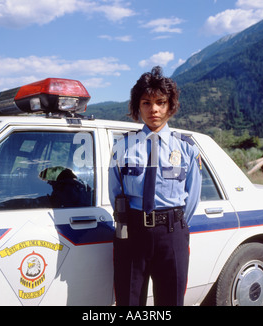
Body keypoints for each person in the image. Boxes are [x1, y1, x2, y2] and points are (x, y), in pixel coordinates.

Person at [108, 66, 202, 306]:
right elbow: (115, 192)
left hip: (171, 235)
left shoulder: (187, 148)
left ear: (170, 105)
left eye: (161, 102)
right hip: (132, 233)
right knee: (129, 303)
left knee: (170, 302)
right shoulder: (123, 147)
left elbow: (192, 197)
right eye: (146, 103)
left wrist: (172, 223)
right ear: (137, 107)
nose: (154, 110)